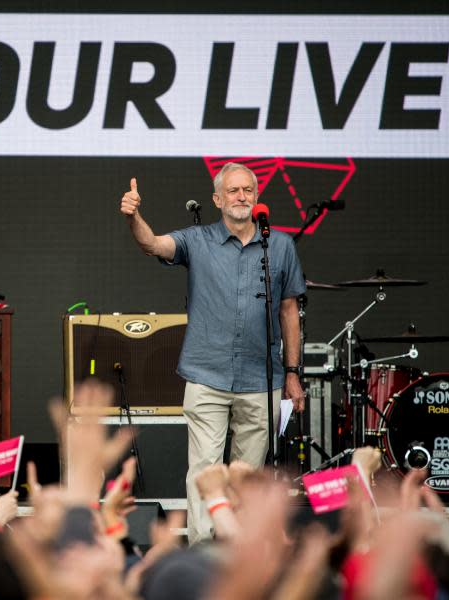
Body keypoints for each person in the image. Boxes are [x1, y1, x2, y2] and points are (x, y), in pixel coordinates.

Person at [120, 162, 306, 543]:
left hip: (262, 376)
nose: (242, 197)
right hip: (207, 374)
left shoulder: (280, 244)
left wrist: (292, 372)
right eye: (234, 191)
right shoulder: (197, 240)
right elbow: (152, 244)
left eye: (248, 190)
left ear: (257, 197)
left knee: (247, 473)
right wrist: (134, 216)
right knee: (205, 468)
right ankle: (204, 551)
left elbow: (289, 310)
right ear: (217, 199)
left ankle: (238, 551)